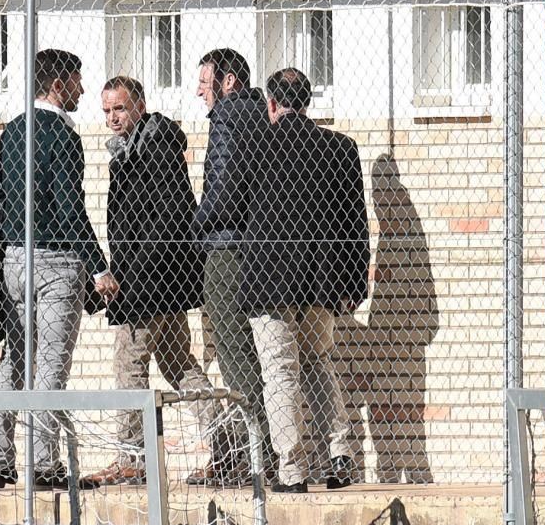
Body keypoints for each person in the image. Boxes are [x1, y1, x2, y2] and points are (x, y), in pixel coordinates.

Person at [80, 77, 228, 487]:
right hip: (164, 281)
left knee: (129, 366)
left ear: (140, 106)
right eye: (107, 110)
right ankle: (228, 446)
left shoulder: (154, 148)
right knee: (180, 366)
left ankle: (133, 457)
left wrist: (127, 279)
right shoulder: (135, 149)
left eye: (120, 109)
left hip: (148, 283)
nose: (113, 118)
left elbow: (163, 221)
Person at [0, 48, 119, 490]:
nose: (82, 89)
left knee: (16, 359)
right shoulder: (62, 135)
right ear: (59, 85)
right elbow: (69, 206)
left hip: (14, 260)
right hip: (57, 262)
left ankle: (1, 461)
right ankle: (44, 465)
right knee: (52, 366)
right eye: (78, 82)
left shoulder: (13, 131)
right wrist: (99, 267)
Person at [240, 68, 370, 493]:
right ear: (308, 101)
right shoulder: (339, 148)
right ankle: (340, 452)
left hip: (268, 279)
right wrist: (353, 283)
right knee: (317, 361)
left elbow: (230, 207)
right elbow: (355, 222)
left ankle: (292, 469)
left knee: (279, 371)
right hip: (320, 280)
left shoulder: (253, 146)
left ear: (271, 104)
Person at [191, 48, 271, 485]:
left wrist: (191, 227)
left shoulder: (227, 118)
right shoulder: (262, 115)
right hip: (258, 246)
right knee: (255, 349)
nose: (200, 93)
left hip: (227, 247)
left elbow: (222, 192)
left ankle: (254, 451)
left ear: (227, 82)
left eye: (205, 84)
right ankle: (261, 447)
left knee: (232, 346)